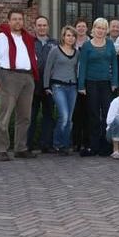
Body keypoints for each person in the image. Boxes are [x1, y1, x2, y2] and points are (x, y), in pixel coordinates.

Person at [0, 9, 39, 161]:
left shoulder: (27, 38)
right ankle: (1, 149)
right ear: (9, 21)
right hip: (10, 76)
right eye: (15, 19)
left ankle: (20, 148)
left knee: (25, 116)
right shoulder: (1, 38)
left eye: (20, 19)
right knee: (5, 114)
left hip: (27, 77)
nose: (18, 22)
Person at [78, 18, 119, 156]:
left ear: (106, 30)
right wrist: (81, 85)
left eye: (103, 28)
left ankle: (105, 145)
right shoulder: (86, 46)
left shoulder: (109, 44)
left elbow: (114, 63)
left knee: (107, 114)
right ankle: (93, 145)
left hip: (106, 83)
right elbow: (82, 66)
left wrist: (114, 82)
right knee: (93, 114)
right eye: (98, 28)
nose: (100, 31)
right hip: (90, 83)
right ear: (93, 29)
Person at [44, 25, 80, 156]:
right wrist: (46, 86)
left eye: (73, 36)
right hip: (58, 87)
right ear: (63, 36)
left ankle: (65, 145)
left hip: (72, 88)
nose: (70, 38)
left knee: (69, 119)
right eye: (68, 35)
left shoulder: (77, 53)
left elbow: (78, 70)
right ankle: (57, 143)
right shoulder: (55, 50)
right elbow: (48, 68)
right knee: (63, 116)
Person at [27, 16, 57, 153]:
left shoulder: (55, 43)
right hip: (32, 84)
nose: (42, 28)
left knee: (48, 116)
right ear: (34, 27)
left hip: (49, 85)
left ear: (48, 27)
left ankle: (46, 144)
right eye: (39, 25)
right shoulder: (29, 42)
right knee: (30, 116)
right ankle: (27, 145)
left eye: (44, 25)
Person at [72, 18, 90, 152]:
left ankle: (86, 141)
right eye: (79, 26)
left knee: (87, 112)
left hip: (88, 80)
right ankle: (75, 141)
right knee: (75, 113)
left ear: (87, 29)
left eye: (83, 26)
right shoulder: (71, 42)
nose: (81, 28)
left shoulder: (91, 42)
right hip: (73, 80)